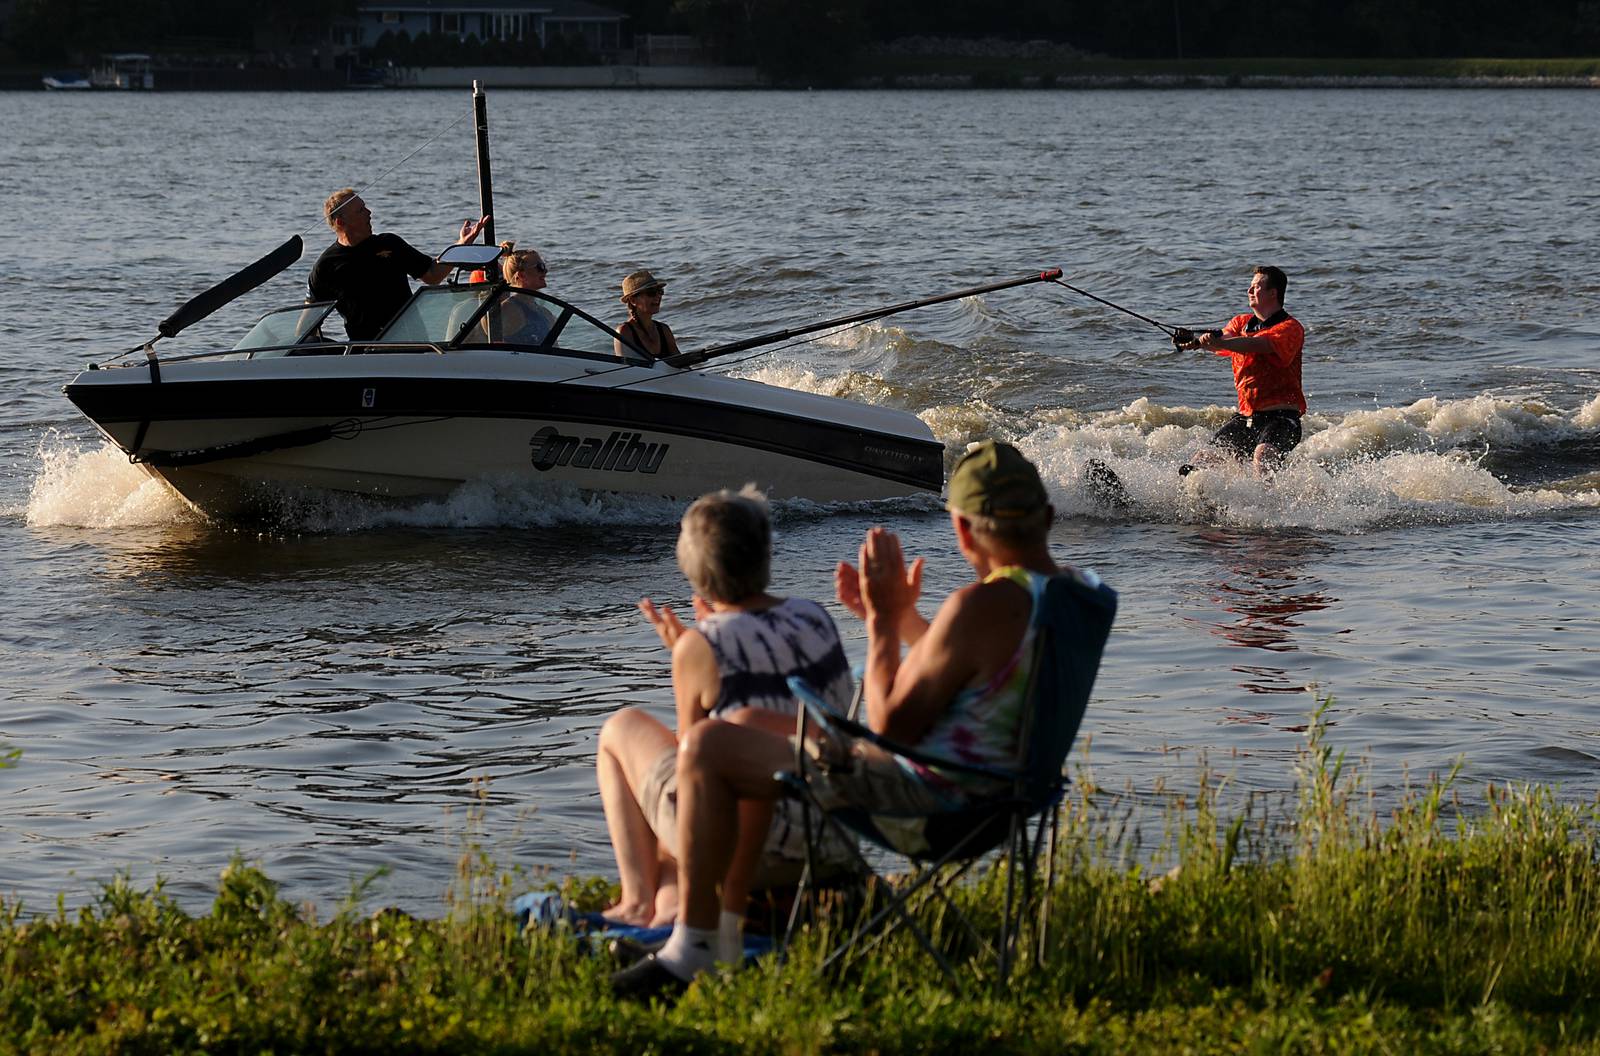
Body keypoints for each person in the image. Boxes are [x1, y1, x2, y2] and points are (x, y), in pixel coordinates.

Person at [613, 440, 1108, 996]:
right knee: (750, 718)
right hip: (1010, 799)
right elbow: (986, 674)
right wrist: (905, 619)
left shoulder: (979, 606)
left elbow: (892, 726)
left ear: (964, 531)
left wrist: (878, 623)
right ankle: (724, 927)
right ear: (1047, 515)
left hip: (929, 804)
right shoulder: (1081, 596)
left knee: (705, 745)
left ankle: (692, 949)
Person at [595, 485, 854, 963]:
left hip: (746, 849)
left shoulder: (702, 645)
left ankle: (639, 903)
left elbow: (692, 761)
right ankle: (672, 901)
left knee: (622, 731)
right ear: (766, 553)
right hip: (828, 834)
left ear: (694, 572)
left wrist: (685, 654)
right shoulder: (815, 616)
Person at [1173, 265, 1306, 476]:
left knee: (1263, 456)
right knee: (1200, 462)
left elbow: (1258, 345)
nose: (1249, 291)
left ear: (1273, 293)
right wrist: (1196, 342)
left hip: (1282, 419)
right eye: (1250, 286)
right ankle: (1197, 505)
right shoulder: (1240, 323)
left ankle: (1267, 507)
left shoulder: (1290, 328)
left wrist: (1218, 342)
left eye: (1256, 287)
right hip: (1246, 418)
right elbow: (1224, 340)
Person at [307, 188, 489, 341]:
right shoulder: (326, 266)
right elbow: (308, 325)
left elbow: (433, 276)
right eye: (361, 210)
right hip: (365, 353)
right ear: (341, 222)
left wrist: (461, 245)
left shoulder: (390, 244)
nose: (369, 212)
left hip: (412, 343)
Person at [457, 241, 557, 345]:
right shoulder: (508, 310)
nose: (545, 271)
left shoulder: (545, 313)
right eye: (540, 267)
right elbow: (475, 343)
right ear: (521, 276)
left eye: (544, 266)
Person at [614, 269, 681, 361]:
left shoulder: (664, 330)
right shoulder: (625, 332)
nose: (658, 296)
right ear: (633, 301)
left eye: (660, 291)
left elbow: (682, 365)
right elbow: (627, 371)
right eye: (651, 293)